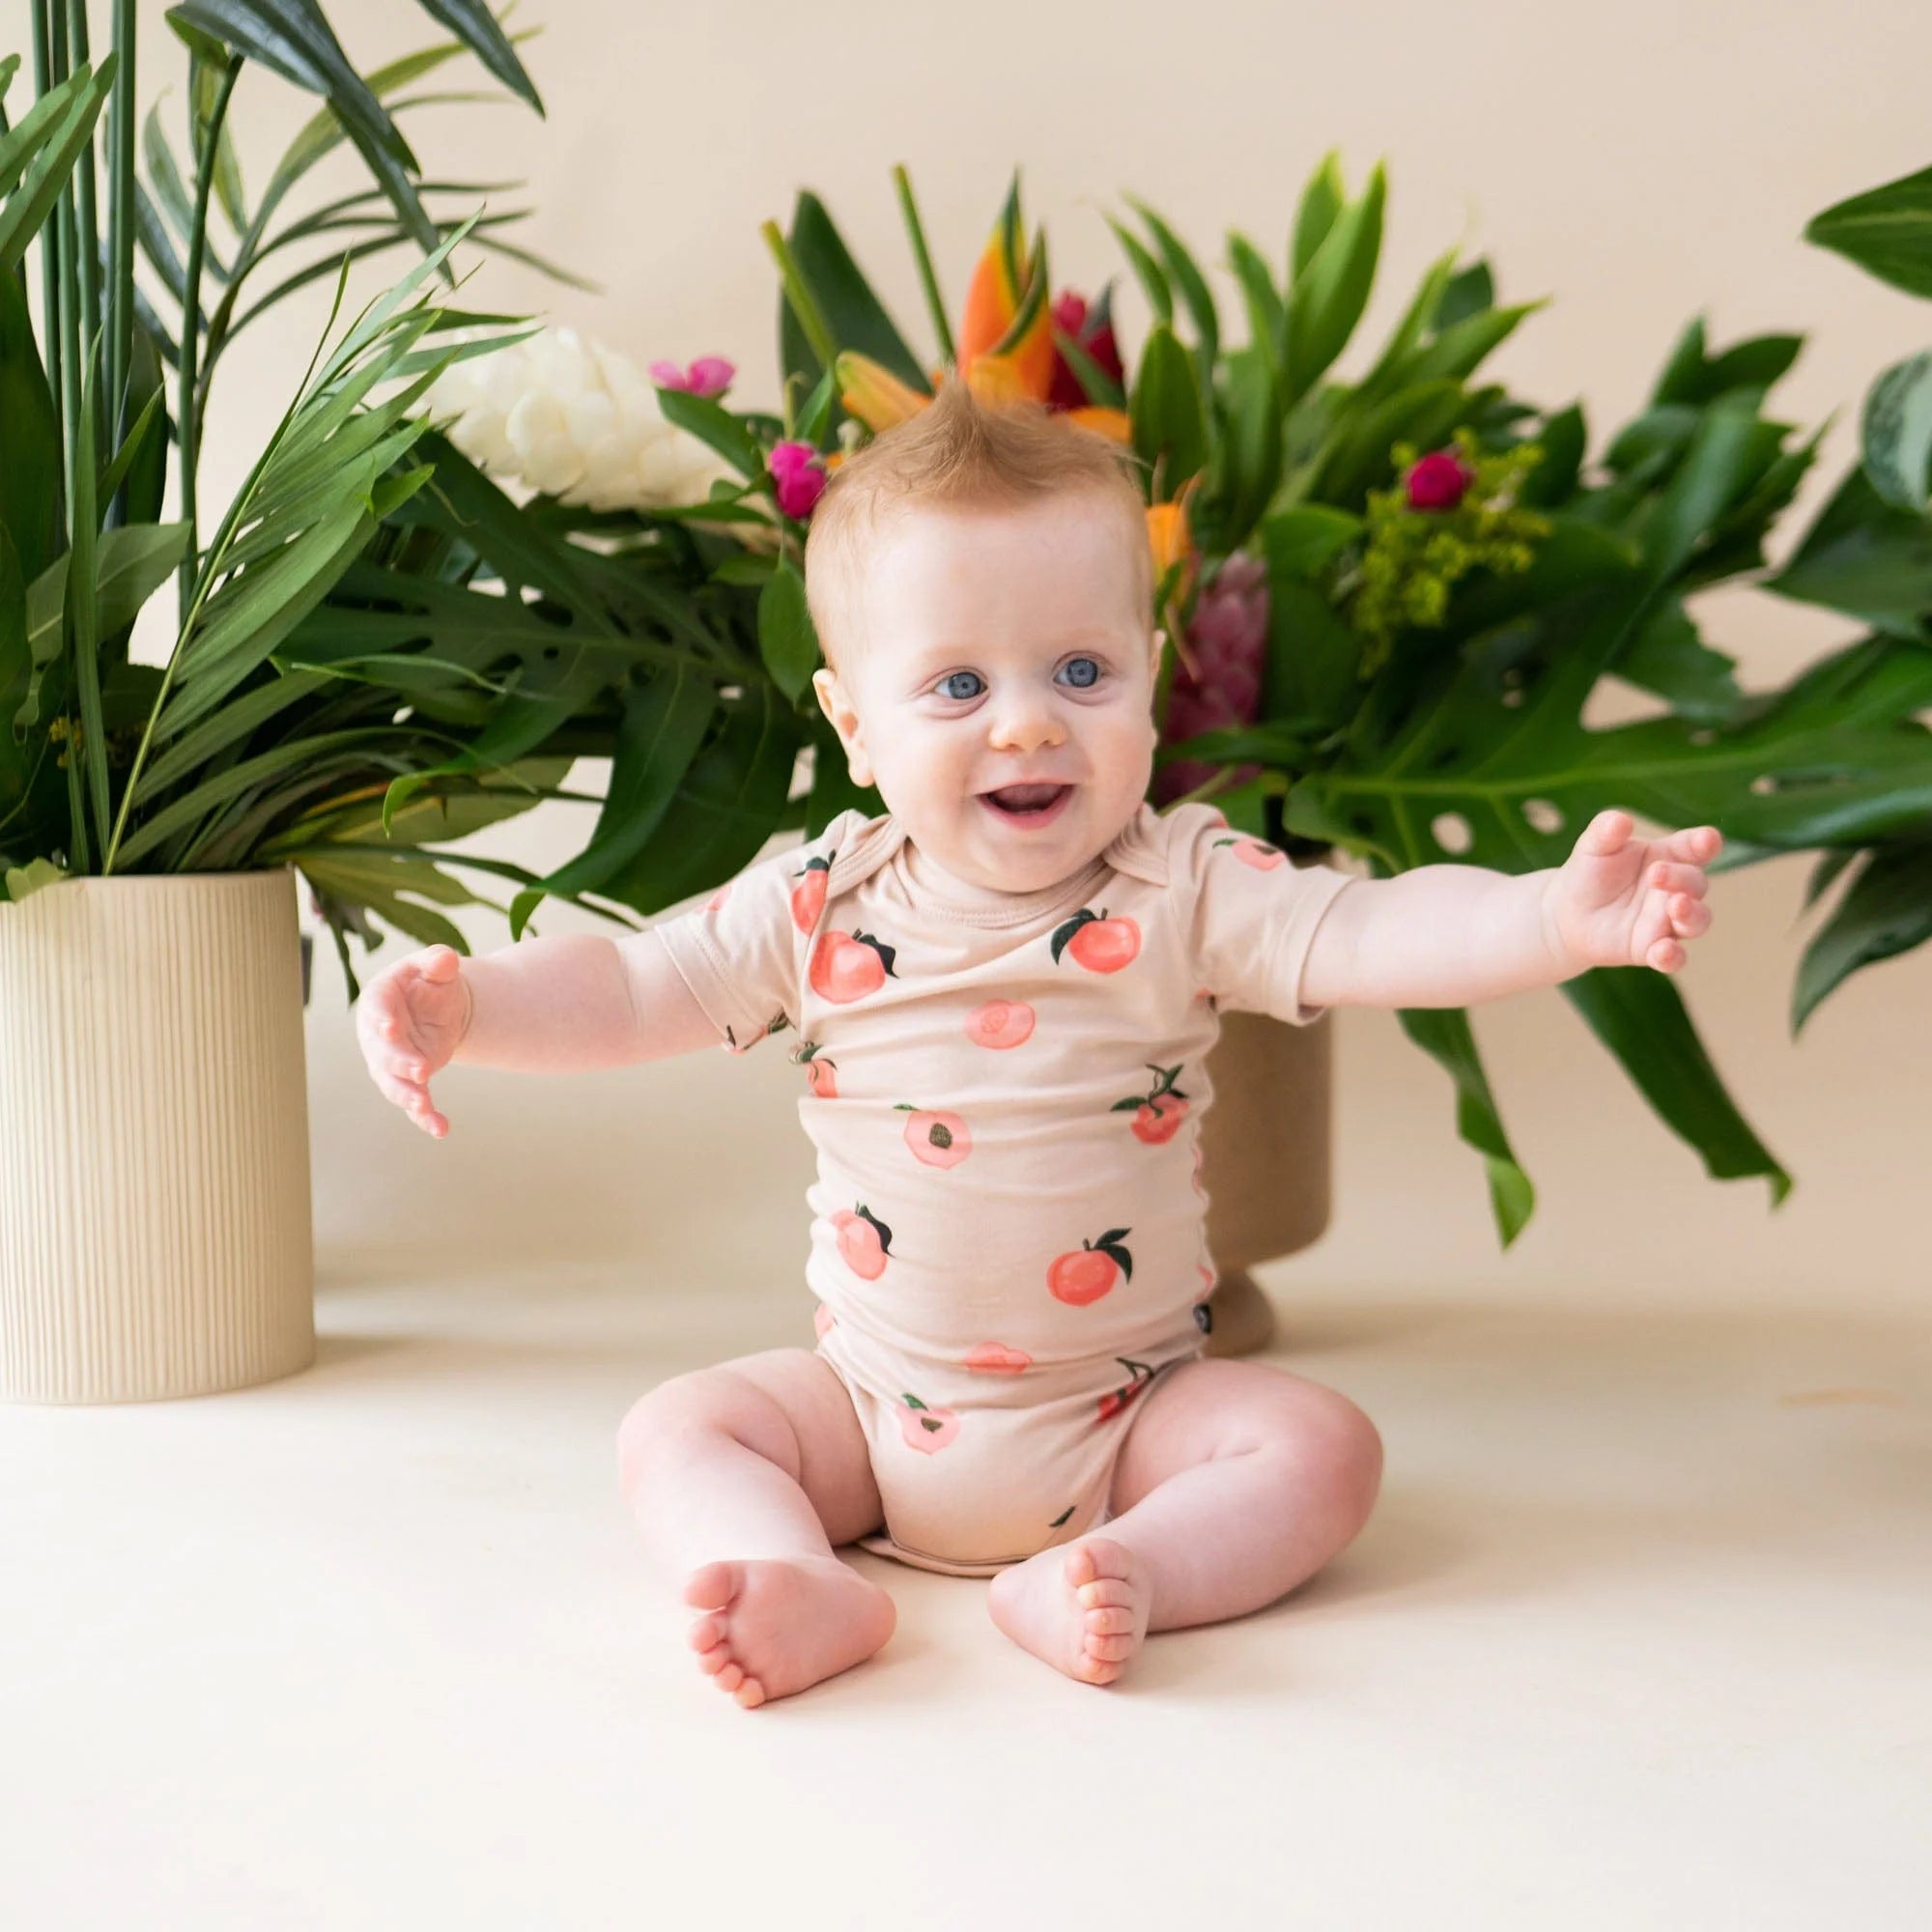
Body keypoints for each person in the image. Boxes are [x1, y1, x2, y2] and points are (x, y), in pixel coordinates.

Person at [355, 380, 1720, 1708]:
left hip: (1132, 1419)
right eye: (958, 685)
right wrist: (470, 1009)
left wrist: (1553, 918)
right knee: (679, 1430)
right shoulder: (817, 903)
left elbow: (1369, 930)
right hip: (868, 1412)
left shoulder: (1185, 886)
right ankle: (792, 1573)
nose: (1028, 721)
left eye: (1081, 671)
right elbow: (632, 983)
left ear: (1152, 684)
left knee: (1322, 1448)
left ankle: (1128, 1568)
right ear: (855, 726)